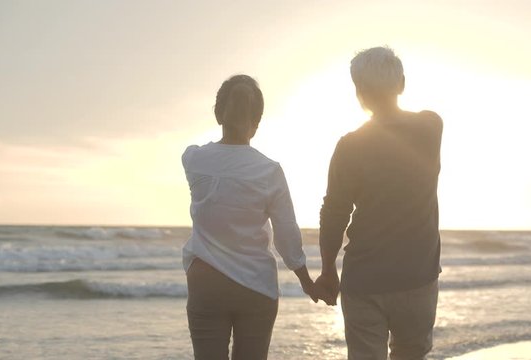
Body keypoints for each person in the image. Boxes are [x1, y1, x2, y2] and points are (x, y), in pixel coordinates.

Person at [181, 74, 325, 360]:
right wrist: (306, 281)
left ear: (218, 113)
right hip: (255, 286)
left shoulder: (193, 159)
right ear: (257, 123)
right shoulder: (269, 171)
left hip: (207, 283)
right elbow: (286, 234)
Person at [315, 47, 444, 360]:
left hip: (365, 278)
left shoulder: (349, 146)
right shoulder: (430, 127)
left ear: (359, 92)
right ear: (401, 83)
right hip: (417, 274)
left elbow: (334, 213)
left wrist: (328, 270)